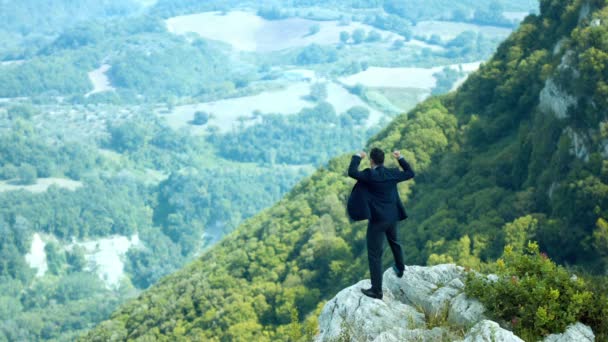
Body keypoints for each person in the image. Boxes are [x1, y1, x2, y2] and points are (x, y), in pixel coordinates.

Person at [347, 147, 415, 300]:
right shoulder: (391, 173)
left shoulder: (369, 175)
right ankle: (400, 267)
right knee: (395, 242)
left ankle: (377, 290)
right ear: (383, 160)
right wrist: (400, 158)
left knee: (374, 255)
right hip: (392, 216)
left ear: (371, 161)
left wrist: (358, 156)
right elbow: (410, 173)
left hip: (377, 220)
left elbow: (352, 172)